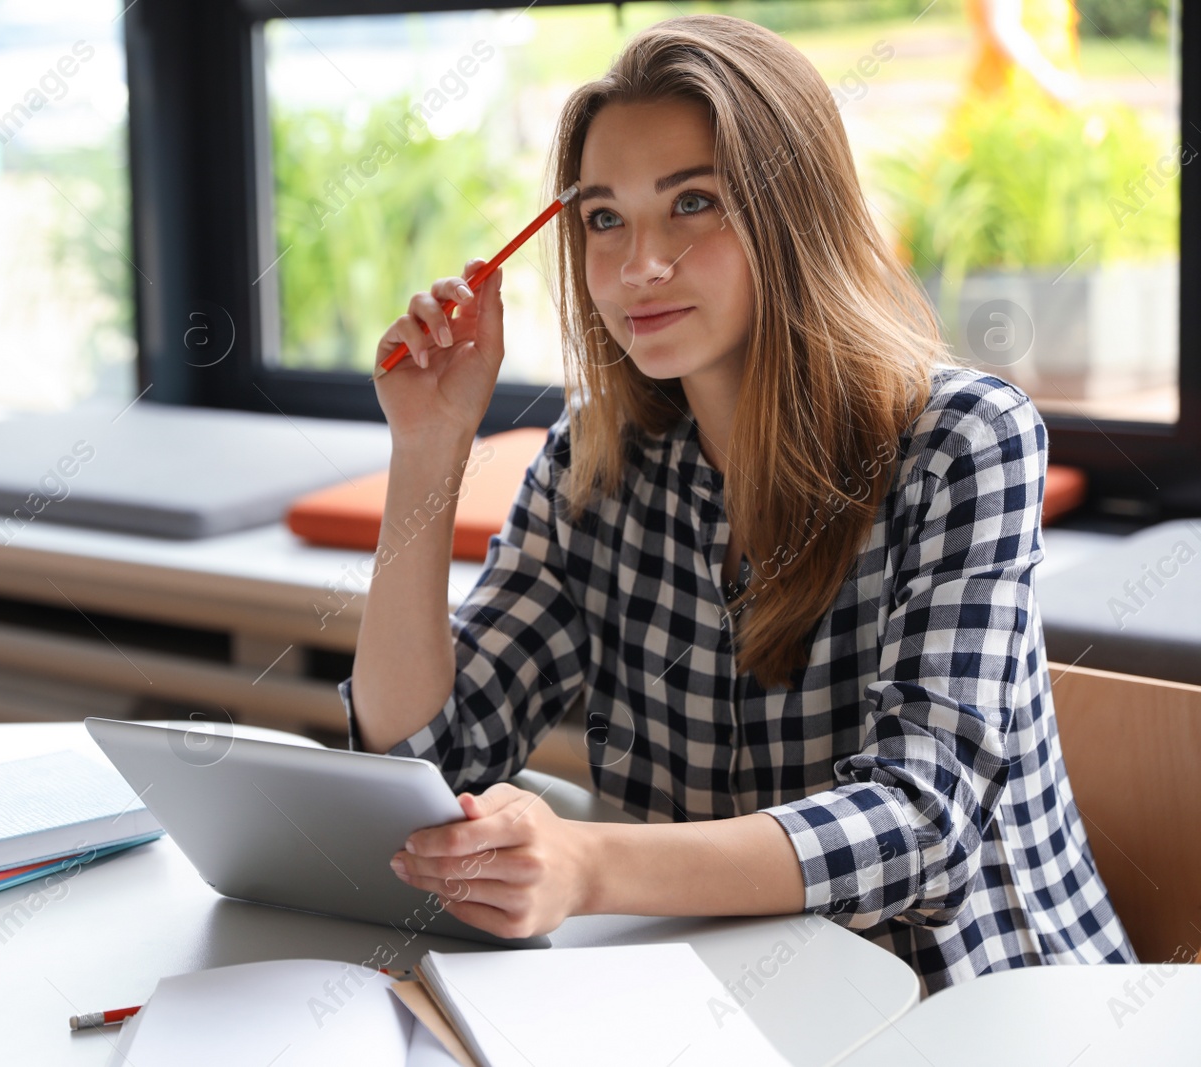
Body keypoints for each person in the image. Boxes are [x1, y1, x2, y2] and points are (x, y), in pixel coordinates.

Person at [340, 14, 1135, 995]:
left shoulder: (961, 441)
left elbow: (921, 825)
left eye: (694, 204)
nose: (639, 266)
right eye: (603, 217)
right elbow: (429, 754)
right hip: (715, 997)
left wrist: (588, 863)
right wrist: (427, 447)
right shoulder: (595, 464)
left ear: (791, 213)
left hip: (974, 1004)